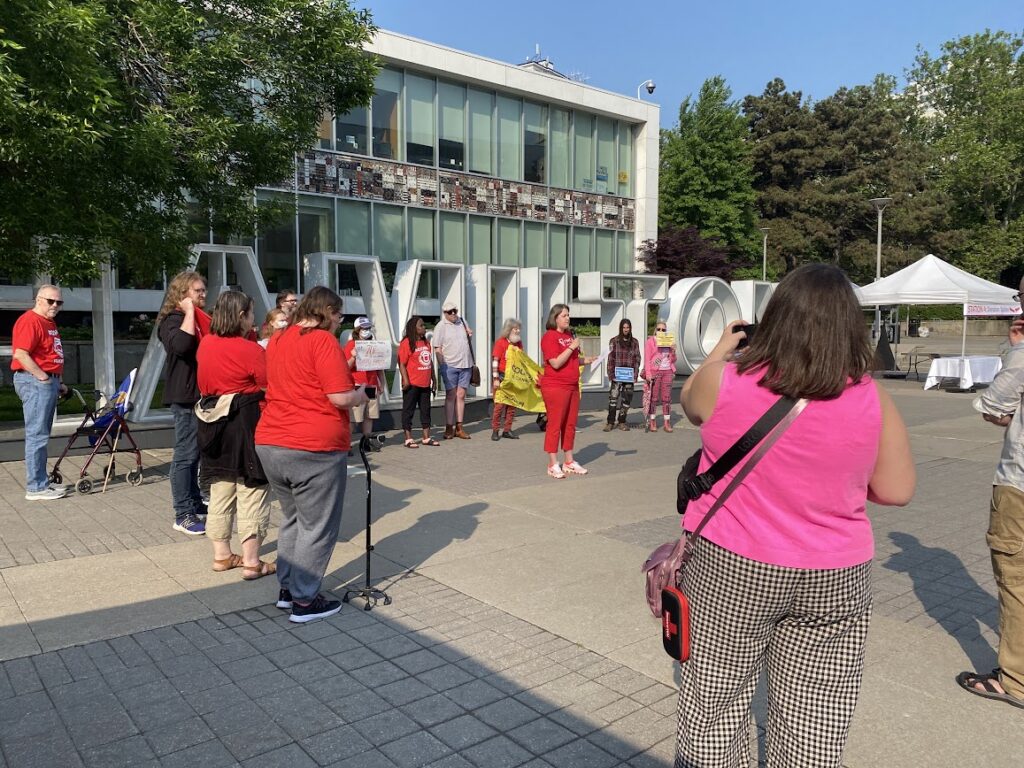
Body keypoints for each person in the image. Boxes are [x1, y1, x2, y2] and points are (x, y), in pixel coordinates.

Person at [675, 264, 915, 767]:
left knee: (714, 704)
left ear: (776, 317)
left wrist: (721, 349)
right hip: (835, 574)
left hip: (730, 565)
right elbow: (897, 491)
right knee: (815, 718)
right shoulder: (872, 397)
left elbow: (689, 402)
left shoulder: (724, 381)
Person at [255, 286, 369, 623]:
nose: (340, 321)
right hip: (313, 444)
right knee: (316, 526)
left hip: (271, 440)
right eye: (339, 314)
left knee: (293, 519)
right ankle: (305, 601)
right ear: (327, 311)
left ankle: (288, 590)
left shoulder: (279, 338)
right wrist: (361, 395)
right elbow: (339, 397)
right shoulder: (322, 340)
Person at [960, 290, 1024, 710]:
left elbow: (993, 405)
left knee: (1016, 578)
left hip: (1020, 482)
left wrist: (1015, 350)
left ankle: (1016, 679)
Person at [195, 291, 274, 580]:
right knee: (252, 488)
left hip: (212, 422)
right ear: (241, 316)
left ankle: (222, 555)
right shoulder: (250, 350)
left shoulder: (206, 343)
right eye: (251, 313)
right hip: (245, 421)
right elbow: (269, 385)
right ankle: (252, 562)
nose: (254, 319)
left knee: (221, 488)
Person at [157, 271, 210, 535]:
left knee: (195, 453)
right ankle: (183, 514)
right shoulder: (172, 320)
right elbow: (181, 345)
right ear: (182, 294)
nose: (203, 294)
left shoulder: (199, 319)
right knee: (185, 455)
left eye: (203, 290)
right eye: (198, 291)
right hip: (185, 397)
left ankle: (194, 501)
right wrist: (188, 311)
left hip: (200, 395)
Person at [11, 285, 68, 500]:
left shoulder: (48, 322)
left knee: (41, 435)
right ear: (38, 299)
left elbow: (50, 353)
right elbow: (21, 354)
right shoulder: (30, 321)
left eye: (59, 302)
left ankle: (42, 482)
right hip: (35, 381)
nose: (55, 305)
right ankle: (35, 488)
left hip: (46, 381)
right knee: (37, 435)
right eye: (50, 301)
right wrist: (43, 378)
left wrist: (58, 381)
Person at [540, 304, 597, 479]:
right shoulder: (549, 337)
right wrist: (572, 347)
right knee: (555, 424)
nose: (567, 318)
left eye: (568, 315)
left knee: (570, 424)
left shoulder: (568, 336)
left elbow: (570, 360)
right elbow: (556, 362)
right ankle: (552, 463)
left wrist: (585, 360)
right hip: (556, 386)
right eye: (564, 315)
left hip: (572, 386)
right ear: (555, 318)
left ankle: (569, 461)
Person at [432, 301, 474, 439]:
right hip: (450, 365)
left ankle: (459, 427)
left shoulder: (462, 321)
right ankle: (449, 427)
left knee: (461, 395)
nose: (454, 314)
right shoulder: (441, 326)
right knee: (451, 395)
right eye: (450, 312)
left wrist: (470, 334)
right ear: (445, 313)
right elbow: (437, 347)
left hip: (465, 364)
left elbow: (467, 340)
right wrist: (442, 365)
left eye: (455, 310)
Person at [343, 316, 384, 453]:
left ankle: (367, 442)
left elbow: (380, 366)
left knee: (369, 416)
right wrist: (353, 357)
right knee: (354, 418)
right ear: (357, 330)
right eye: (363, 328)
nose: (366, 330)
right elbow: (345, 368)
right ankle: (346, 445)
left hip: (372, 385)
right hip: (357, 385)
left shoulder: (374, 344)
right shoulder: (350, 345)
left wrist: (382, 383)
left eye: (368, 328)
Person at [398, 316, 439, 448]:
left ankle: (426, 437)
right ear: (414, 328)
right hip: (412, 384)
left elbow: (429, 361)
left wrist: (434, 378)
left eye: (424, 325)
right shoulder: (406, 343)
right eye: (421, 325)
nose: (424, 327)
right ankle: (408, 438)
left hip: (425, 383)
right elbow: (402, 363)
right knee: (408, 411)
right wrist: (405, 380)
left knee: (426, 411)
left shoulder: (426, 342)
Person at [603, 318, 641, 432]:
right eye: (624, 327)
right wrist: (611, 375)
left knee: (627, 400)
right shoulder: (613, 341)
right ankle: (610, 422)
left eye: (627, 327)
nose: (625, 329)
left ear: (630, 328)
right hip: (617, 375)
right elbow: (610, 358)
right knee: (613, 399)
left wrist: (635, 375)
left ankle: (622, 421)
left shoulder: (635, 342)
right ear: (621, 328)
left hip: (629, 376)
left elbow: (637, 359)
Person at [490, 318, 523, 441]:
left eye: (518, 328)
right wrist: (495, 378)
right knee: (499, 406)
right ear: (509, 330)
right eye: (515, 328)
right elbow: (495, 361)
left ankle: (507, 430)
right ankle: (495, 430)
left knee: (512, 406)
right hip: (502, 377)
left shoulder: (518, 343)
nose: (518, 331)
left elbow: (521, 360)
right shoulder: (500, 343)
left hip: (514, 378)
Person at [643, 319, 677, 432]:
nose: (661, 331)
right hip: (655, 372)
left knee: (666, 398)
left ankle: (667, 422)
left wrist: (673, 351)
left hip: (668, 371)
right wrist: (648, 374)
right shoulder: (650, 342)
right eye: (659, 329)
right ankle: (652, 421)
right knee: (654, 398)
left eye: (663, 330)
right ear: (655, 330)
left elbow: (673, 360)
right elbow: (647, 359)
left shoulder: (669, 341)